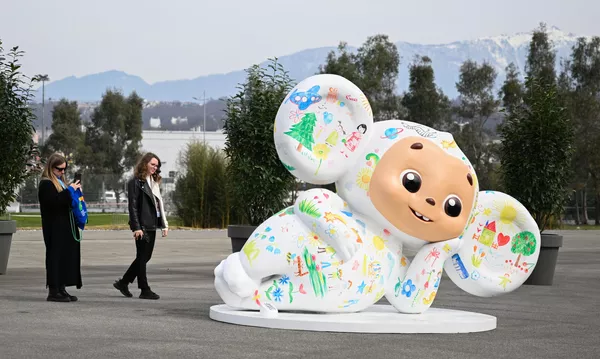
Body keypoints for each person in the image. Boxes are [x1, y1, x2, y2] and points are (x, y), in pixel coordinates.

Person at [113, 152, 168, 300]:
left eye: (157, 166)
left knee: (145, 257)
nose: (155, 168)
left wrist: (164, 224)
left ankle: (124, 282)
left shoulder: (153, 181)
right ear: (145, 164)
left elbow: (159, 204)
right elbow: (133, 207)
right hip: (142, 226)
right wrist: (136, 227)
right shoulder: (135, 182)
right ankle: (144, 289)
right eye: (152, 164)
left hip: (152, 224)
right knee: (142, 257)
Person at [38, 153, 82, 302]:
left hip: (66, 226)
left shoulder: (60, 182)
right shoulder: (46, 183)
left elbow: (67, 201)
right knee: (55, 257)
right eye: (59, 169)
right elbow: (54, 203)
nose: (62, 172)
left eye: (64, 169)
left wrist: (75, 192)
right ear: (51, 168)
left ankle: (62, 288)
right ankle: (53, 290)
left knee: (65, 257)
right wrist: (69, 191)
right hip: (54, 227)